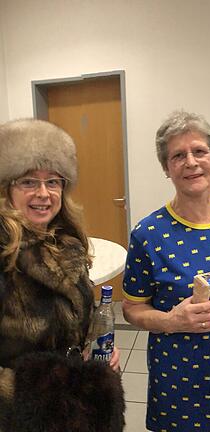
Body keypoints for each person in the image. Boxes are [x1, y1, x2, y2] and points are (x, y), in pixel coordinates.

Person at [122, 111, 210, 432]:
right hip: (178, 376)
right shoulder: (148, 233)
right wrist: (170, 320)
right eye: (178, 156)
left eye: (199, 151)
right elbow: (132, 309)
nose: (191, 162)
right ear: (167, 169)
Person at [0, 119, 124, 431]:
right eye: (29, 181)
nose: (43, 193)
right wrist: (34, 397)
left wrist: (94, 349)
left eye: (53, 181)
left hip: (77, 406)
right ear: (6, 188)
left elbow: (76, 317)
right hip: (22, 418)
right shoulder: (4, 253)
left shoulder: (67, 243)